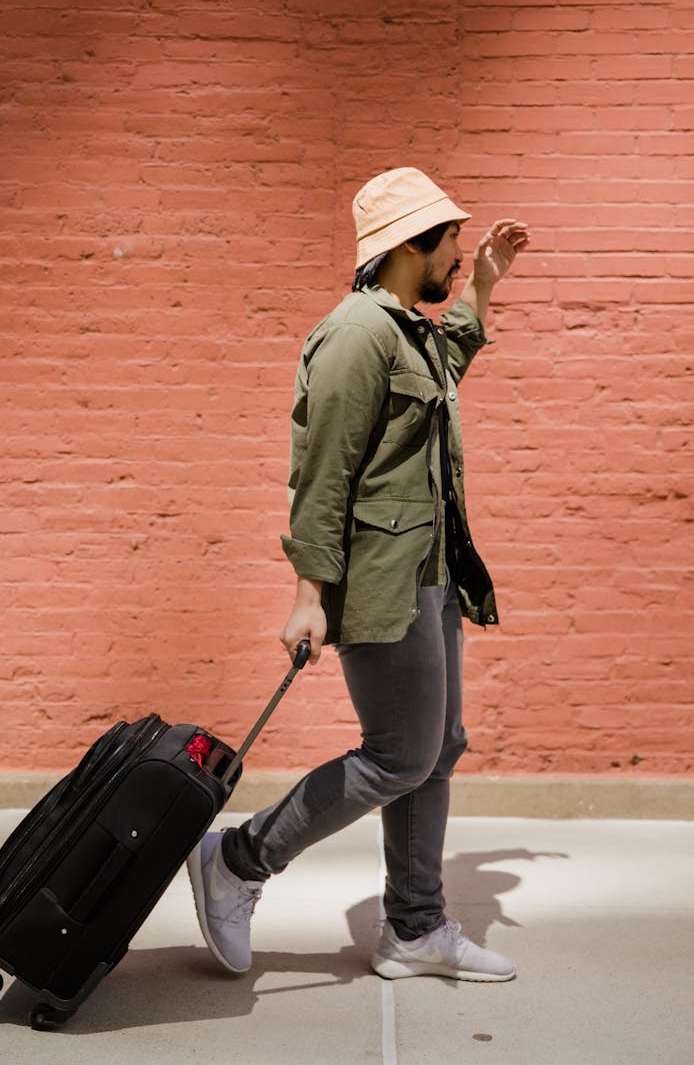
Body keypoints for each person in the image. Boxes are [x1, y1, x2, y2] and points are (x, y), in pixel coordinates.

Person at [187, 167, 529, 982]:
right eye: (451, 239)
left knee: (435, 747)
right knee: (398, 754)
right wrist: (308, 593)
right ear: (413, 244)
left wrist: (483, 286)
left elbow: (448, 360)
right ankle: (237, 858)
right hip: (380, 582)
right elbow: (321, 473)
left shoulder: (406, 327)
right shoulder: (354, 333)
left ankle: (414, 928)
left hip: (429, 570)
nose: (457, 250)